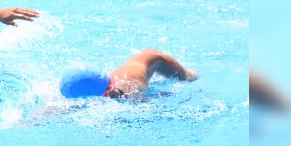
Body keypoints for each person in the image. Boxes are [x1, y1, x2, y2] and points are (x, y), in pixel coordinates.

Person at [60, 49, 197, 99]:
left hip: (159, 61)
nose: (112, 91)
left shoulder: (132, 84)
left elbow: (152, 55)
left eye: (110, 86)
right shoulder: (71, 100)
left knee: (191, 78)